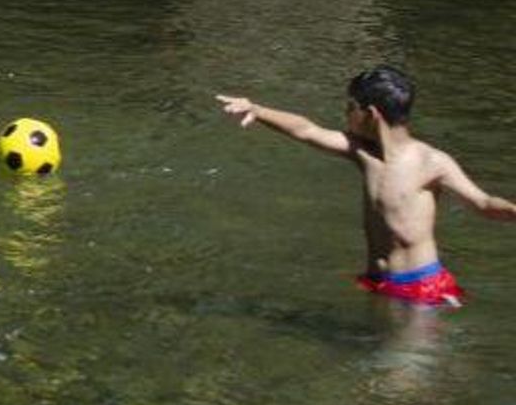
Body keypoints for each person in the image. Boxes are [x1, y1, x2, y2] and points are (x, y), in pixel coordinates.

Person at [217, 65, 515, 307]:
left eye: (351, 107)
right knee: (379, 353)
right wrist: (257, 109)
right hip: (377, 281)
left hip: (419, 285)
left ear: (371, 114)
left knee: (405, 370)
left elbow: (485, 204)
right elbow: (306, 130)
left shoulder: (430, 161)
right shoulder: (362, 151)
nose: (346, 113)